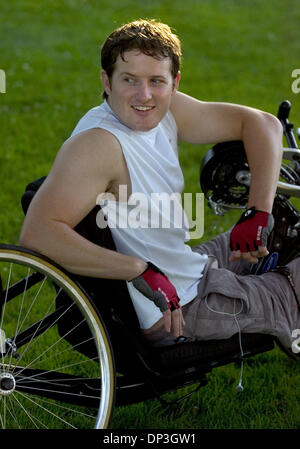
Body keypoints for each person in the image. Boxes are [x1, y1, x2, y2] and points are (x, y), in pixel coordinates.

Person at [19, 19, 299, 357]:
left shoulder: (164, 110)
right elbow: (37, 234)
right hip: (180, 309)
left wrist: (258, 211)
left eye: (156, 81)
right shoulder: (98, 145)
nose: (144, 95)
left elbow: (262, 124)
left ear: (174, 83)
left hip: (186, 267)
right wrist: (138, 270)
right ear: (106, 82)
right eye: (129, 80)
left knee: (283, 226)